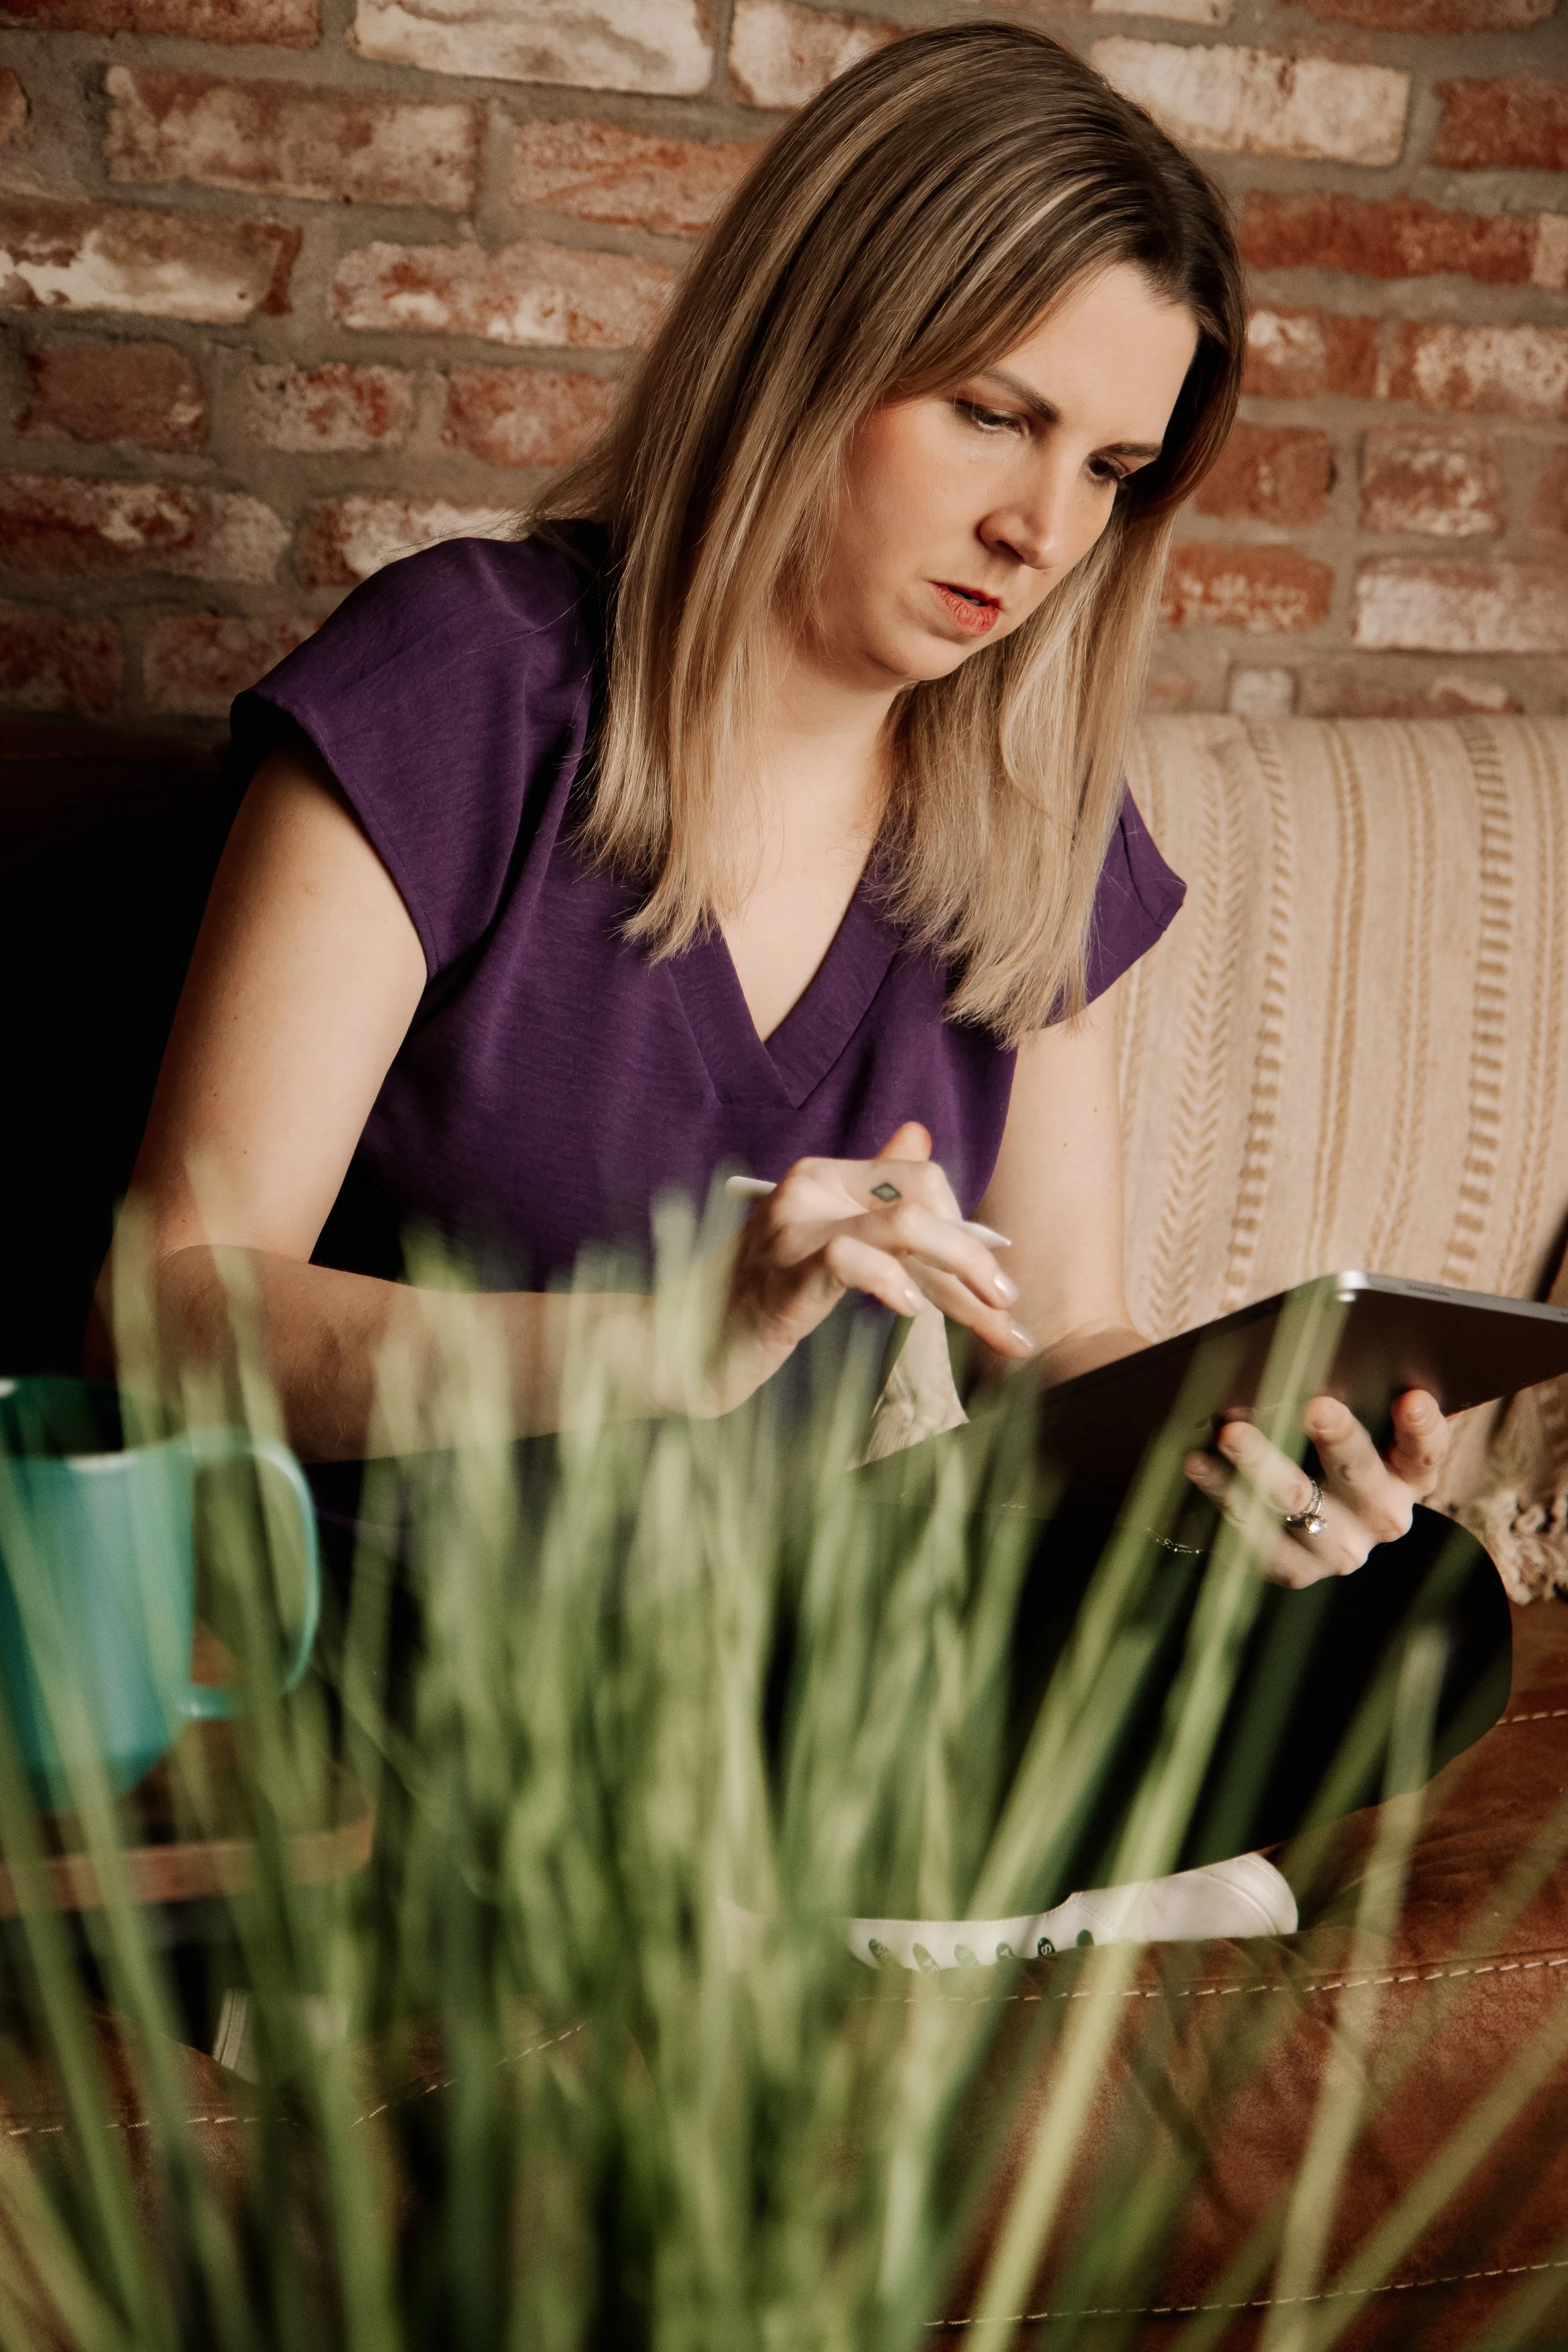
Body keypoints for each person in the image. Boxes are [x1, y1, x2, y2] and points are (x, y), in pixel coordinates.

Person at [107, 23, 1508, 1955]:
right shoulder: (468, 681)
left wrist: (1257, 1462)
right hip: (398, 1653)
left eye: (1106, 466)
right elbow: (174, 1304)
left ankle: (784, 1891)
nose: (1042, 533)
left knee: (1402, 1604)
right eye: (991, 416)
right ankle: (871, 1895)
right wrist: (671, 1344)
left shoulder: (1024, 817)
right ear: (816, 353)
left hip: (760, 1647)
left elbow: (1064, 1347)